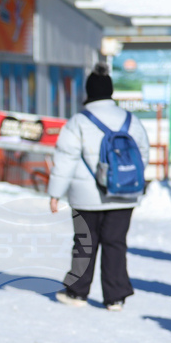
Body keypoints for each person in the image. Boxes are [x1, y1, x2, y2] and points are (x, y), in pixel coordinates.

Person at [48, 65, 150, 311]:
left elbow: (65, 159)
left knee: (85, 241)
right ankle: (115, 297)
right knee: (116, 243)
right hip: (124, 194)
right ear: (111, 91)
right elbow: (142, 155)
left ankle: (77, 292)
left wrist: (55, 193)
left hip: (86, 196)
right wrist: (125, 180)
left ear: (89, 91)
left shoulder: (79, 121)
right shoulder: (131, 120)